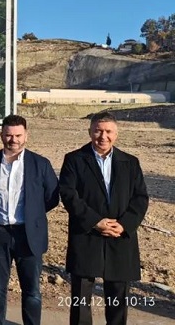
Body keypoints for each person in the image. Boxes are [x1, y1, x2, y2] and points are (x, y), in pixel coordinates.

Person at [59, 112, 149, 325]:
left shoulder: (130, 163)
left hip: (119, 237)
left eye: (108, 131)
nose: (103, 136)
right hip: (86, 235)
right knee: (81, 300)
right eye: (98, 131)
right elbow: (69, 195)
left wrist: (124, 225)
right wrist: (95, 222)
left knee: (118, 300)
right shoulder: (74, 160)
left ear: (116, 134)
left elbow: (140, 198)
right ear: (89, 131)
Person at [0, 115, 59, 325]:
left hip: (29, 235)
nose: (13, 140)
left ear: (26, 135)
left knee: (32, 290)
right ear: (1, 135)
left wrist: (32, 214)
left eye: (18, 135)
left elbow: (52, 197)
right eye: (9, 135)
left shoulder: (40, 164)